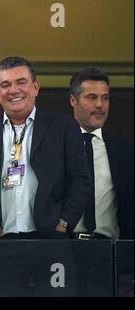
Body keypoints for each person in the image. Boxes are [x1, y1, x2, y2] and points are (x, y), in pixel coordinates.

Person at [0, 56, 91, 296]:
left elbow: (80, 181)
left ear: (35, 87)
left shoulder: (63, 128)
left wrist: (63, 224)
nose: (14, 90)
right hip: (2, 246)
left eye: (21, 82)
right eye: (5, 85)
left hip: (52, 243)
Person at [69, 68, 134, 296]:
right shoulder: (54, 146)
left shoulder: (124, 150)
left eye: (105, 98)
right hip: (63, 252)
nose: (100, 105)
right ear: (73, 101)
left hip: (109, 254)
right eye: (91, 97)